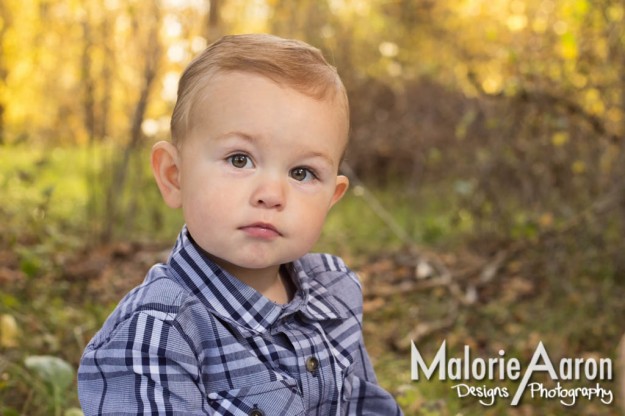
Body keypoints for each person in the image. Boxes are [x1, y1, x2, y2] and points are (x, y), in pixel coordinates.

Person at [78, 33, 403, 416]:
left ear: (332, 197)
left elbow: (366, 406)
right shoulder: (157, 333)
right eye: (239, 159)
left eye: (302, 172)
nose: (271, 193)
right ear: (174, 176)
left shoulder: (334, 291)